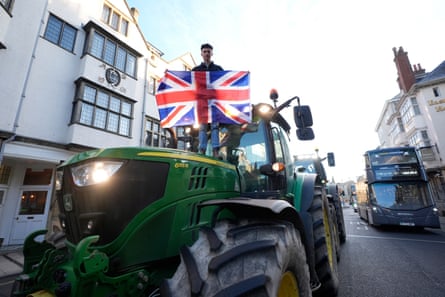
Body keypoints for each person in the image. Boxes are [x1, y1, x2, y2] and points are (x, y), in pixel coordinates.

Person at [192, 43, 223, 157]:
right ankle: (202, 150)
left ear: (212, 53)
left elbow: (225, 82)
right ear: (201, 53)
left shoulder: (218, 69)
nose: (206, 53)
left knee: (215, 126)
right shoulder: (196, 70)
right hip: (202, 102)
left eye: (208, 51)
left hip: (214, 101)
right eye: (204, 51)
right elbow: (188, 84)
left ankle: (215, 150)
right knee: (202, 127)